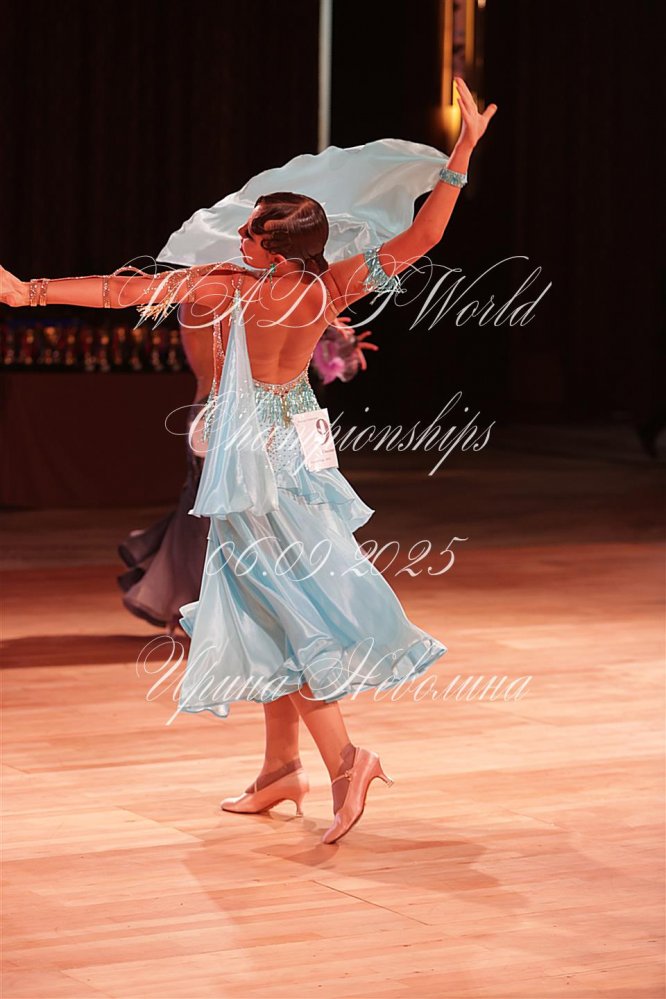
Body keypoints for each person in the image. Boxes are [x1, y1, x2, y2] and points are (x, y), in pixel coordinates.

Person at [1, 77, 497, 844]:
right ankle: (278, 769)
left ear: (276, 248)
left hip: (250, 465)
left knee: (282, 611)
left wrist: (28, 293)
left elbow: (125, 292)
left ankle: (347, 761)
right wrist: (462, 152)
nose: (239, 236)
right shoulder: (332, 285)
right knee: (261, 607)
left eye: (253, 232)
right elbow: (425, 237)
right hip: (295, 454)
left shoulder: (229, 290)